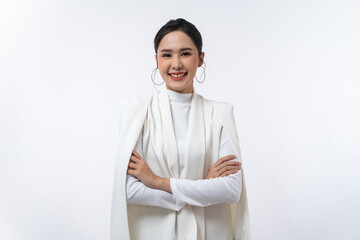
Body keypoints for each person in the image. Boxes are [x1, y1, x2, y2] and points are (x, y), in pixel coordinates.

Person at [111, 18, 250, 240]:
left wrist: (158, 182)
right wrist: (203, 188)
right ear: (156, 60)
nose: (176, 64)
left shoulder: (220, 114)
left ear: (201, 59)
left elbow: (232, 189)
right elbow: (128, 189)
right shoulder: (138, 114)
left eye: (185, 53)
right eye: (167, 55)